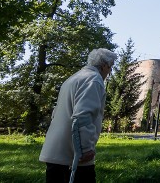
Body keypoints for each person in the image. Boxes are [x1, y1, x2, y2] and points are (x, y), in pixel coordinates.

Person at [39, 48, 117, 183]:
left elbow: (56, 112)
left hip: (57, 150)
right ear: (104, 65)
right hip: (73, 155)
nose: (109, 72)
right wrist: (85, 149)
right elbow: (83, 116)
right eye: (110, 68)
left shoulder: (75, 77)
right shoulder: (93, 80)